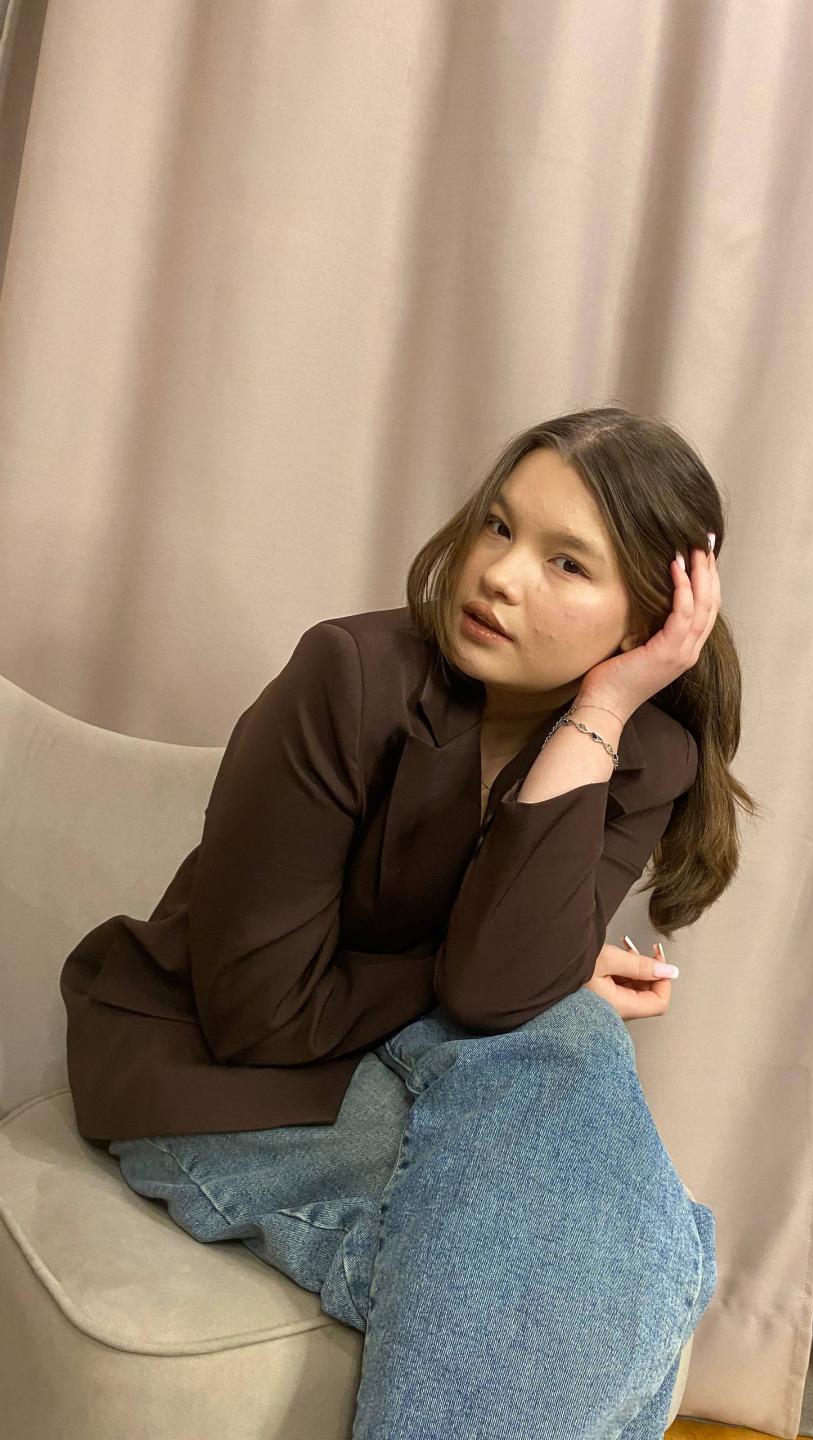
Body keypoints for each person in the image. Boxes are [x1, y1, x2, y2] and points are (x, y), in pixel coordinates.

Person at [61, 405, 755, 1437]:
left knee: (566, 1074)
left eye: (567, 564)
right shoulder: (347, 676)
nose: (501, 574)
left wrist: (601, 711)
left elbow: (495, 991)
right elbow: (260, 1015)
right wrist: (550, 974)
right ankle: (658, 1265)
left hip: (408, 1064)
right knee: (623, 1249)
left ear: (648, 622)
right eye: (500, 527)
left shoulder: (641, 751)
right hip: (218, 1077)